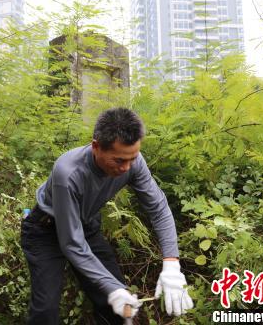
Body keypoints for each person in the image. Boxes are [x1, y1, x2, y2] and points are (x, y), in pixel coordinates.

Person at [21, 107, 193, 324]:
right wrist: (112, 289)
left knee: (118, 308)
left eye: (132, 158)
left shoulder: (133, 162)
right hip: (45, 231)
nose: (127, 167)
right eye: (119, 160)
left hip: (87, 227)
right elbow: (72, 244)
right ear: (96, 147)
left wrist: (171, 264)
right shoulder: (68, 173)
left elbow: (158, 209)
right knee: (45, 311)